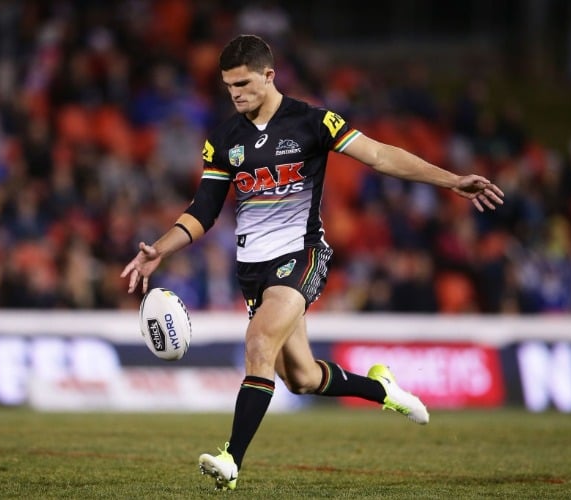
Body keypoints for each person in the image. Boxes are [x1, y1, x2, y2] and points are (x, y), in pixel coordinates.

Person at [121, 34, 504, 491]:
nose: (234, 93)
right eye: (227, 86)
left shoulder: (313, 122)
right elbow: (204, 209)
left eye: (242, 83)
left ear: (269, 75)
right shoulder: (225, 138)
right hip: (252, 268)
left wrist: (453, 180)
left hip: (301, 255)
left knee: (259, 341)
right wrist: (160, 249)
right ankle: (383, 390)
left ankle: (231, 460)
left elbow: (380, 155)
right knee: (300, 377)